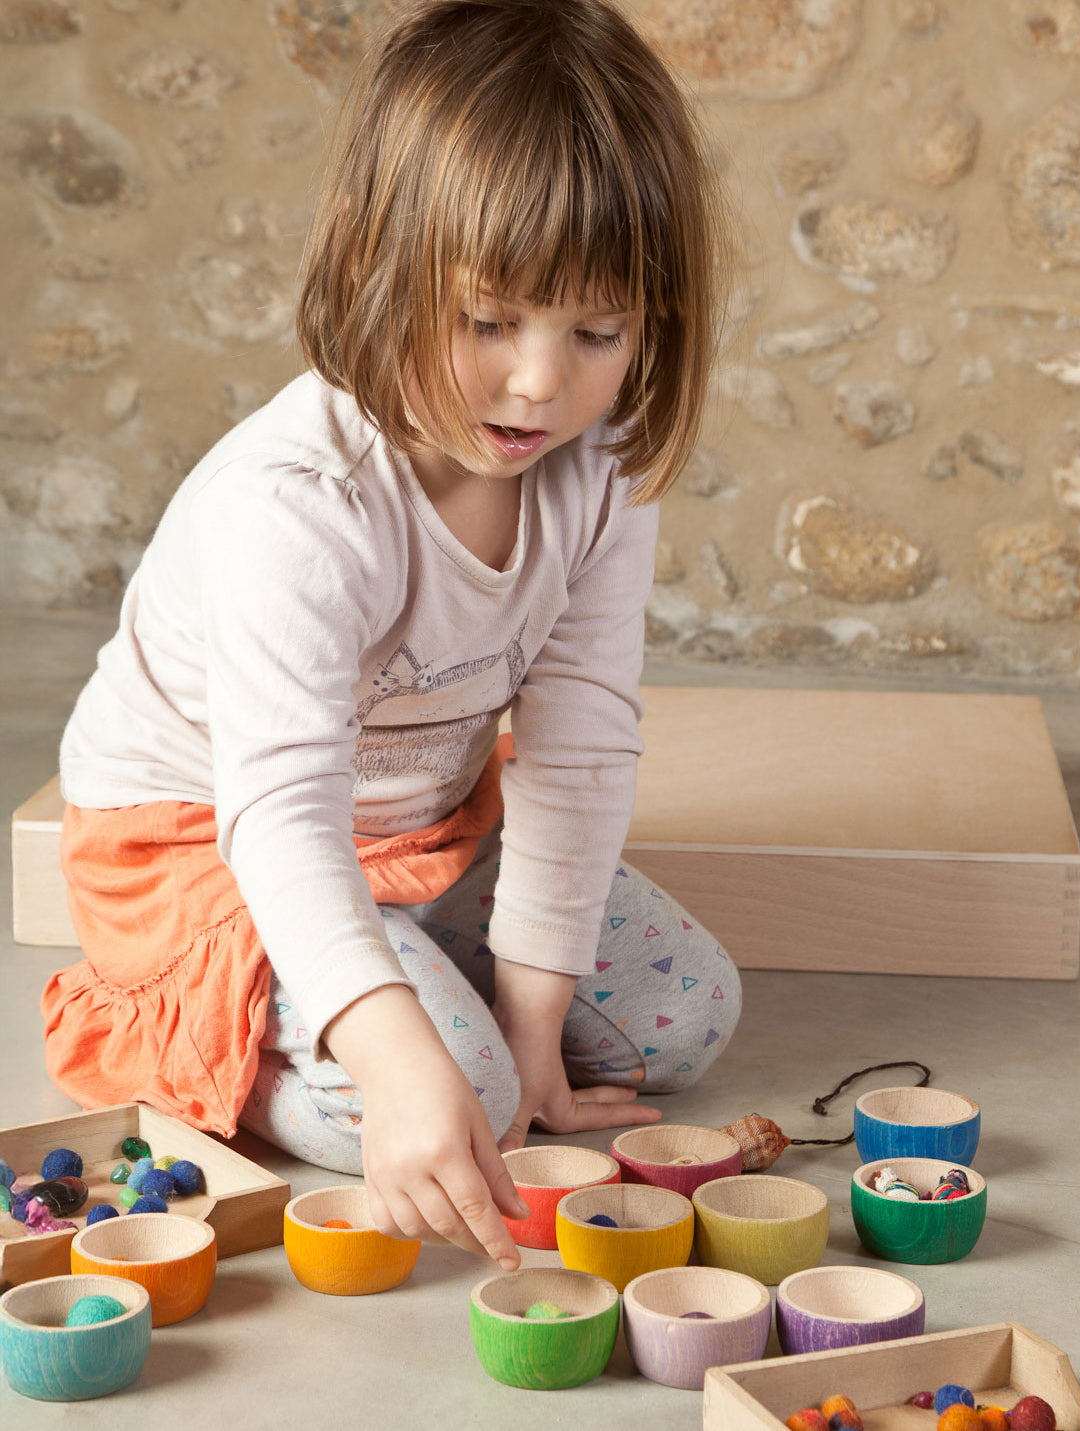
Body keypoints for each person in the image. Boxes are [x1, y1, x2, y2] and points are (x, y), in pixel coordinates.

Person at [42, 0, 740, 1273]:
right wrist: (413, 1060)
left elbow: (577, 754)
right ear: (382, 267)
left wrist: (534, 1034)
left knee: (686, 1018)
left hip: (413, 827)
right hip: (212, 842)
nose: (540, 383)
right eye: (490, 321)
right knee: (438, 1096)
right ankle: (240, 1032)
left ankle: (403, 995)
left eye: (595, 333)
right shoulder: (300, 505)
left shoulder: (599, 465)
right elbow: (281, 816)